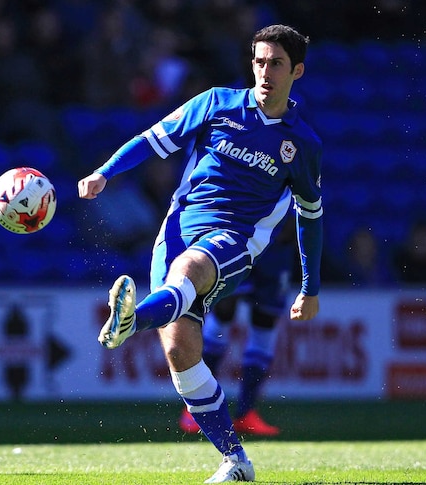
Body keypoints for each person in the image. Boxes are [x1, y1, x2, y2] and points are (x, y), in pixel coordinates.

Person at [78, 24, 322, 483]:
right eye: (259, 61)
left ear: (297, 71)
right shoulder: (216, 103)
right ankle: (235, 459)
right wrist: (105, 173)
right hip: (176, 227)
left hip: (236, 240)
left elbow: (311, 217)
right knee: (180, 348)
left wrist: (309, 286)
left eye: (277, 64)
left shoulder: (302, 144)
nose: (265, 71)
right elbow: (153, 139)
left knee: (189, 271)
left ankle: (131, 321)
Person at [179, 216, 296, 437]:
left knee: (265, 320)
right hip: (241, 239)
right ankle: (195, 407)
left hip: (277, 248)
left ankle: (246, 412)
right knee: (224, 312)